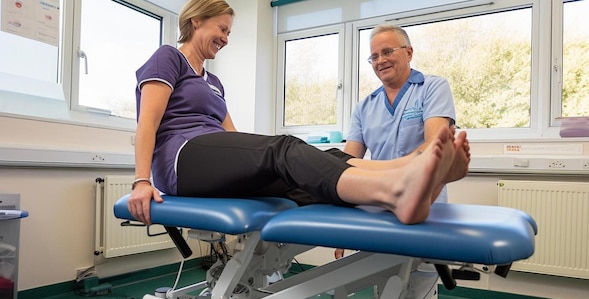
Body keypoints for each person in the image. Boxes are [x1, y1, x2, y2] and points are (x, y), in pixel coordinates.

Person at [127, 0, 470, 244]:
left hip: (210, 160)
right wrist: (142, 180)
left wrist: (261, 166)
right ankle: (395, 189)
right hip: (180, 160)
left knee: (307, 170)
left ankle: (404, 174)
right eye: (222, 29)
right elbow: (148, 123)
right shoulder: (168, 58)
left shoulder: (214, 83)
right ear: (196, 20)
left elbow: (231, 138)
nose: (226, 38)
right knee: (283, 147)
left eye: (228, 32)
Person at [334, 25, 461, 299]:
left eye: (387, 51)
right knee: (390, 297)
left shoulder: (432, 88)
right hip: (377, 211)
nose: (380, 60)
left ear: (408, 52)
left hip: (425, 207)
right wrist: (340, 226)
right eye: (374, 56)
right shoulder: (365, 106)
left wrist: (393, 174)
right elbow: (346, 165)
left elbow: (435, 147)